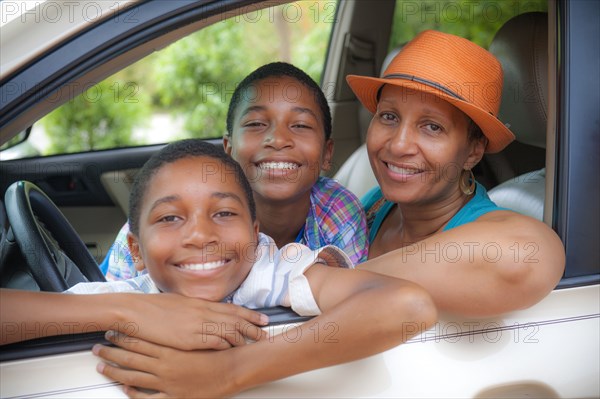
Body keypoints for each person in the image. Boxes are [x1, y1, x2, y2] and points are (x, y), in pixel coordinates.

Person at [1, 139, 437, 398]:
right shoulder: (128, 298)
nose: (200, 235)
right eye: (170, 218)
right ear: (134, 250)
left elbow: (408, 306)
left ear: (256, 234)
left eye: (224, 214)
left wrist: (228, 372)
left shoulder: (272, 274)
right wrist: (128, 312)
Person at [344, 30, 565, 316]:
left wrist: (333, 282)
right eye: (389, 116)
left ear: (473, 151)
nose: (398, 145)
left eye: (432, 127)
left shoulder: (490, 238)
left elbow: (531, 254)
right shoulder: (378, 204)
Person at [101, 62, 368, 280]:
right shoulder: (165, 221)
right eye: (256, 124)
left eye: (300, 125)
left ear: (327, 154)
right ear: (228, 149)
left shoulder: (338, 211)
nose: (277, 139)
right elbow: (106, 310)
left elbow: (349, 300)